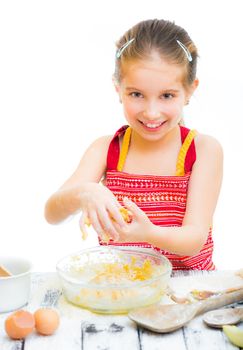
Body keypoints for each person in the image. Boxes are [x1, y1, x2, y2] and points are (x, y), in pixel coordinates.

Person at [45, 19, 223, 270]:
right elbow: (52, 213)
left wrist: (148, 233)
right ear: (118, 89)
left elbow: (194, 238)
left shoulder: (203, 150)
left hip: (190, 289)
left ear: (190, 91)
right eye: (136, 94)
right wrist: (84, 192)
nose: (151, 112)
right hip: (122, 286)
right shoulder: (106, 149)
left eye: (167, 96)